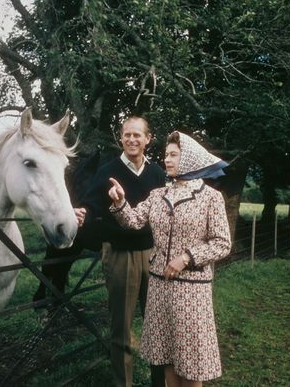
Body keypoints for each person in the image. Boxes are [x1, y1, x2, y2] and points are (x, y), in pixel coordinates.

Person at [108, 130, 231, 387]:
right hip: (159, 289)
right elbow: (133, 221)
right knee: (167, 361)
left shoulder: (211, 198)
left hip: (192, 292)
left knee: (191, 366)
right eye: (166, 155)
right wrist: (120, 202)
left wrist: (186, 257)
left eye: (174, 155)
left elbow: (222, 244)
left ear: (190, 159)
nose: (167, 160)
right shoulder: (157, 195)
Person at [75, 116, 166, 387]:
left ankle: (159, 382)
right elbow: (90, 205)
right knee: (121, 329)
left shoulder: (158, 173)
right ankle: (122, 382)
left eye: (137, 135)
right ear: (121, 138)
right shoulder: (108, 170)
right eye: (127, 135)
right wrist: (83, 213)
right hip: (119, 256)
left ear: (148, 139)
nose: (131, 140)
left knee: (157, 326)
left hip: (153, 255)